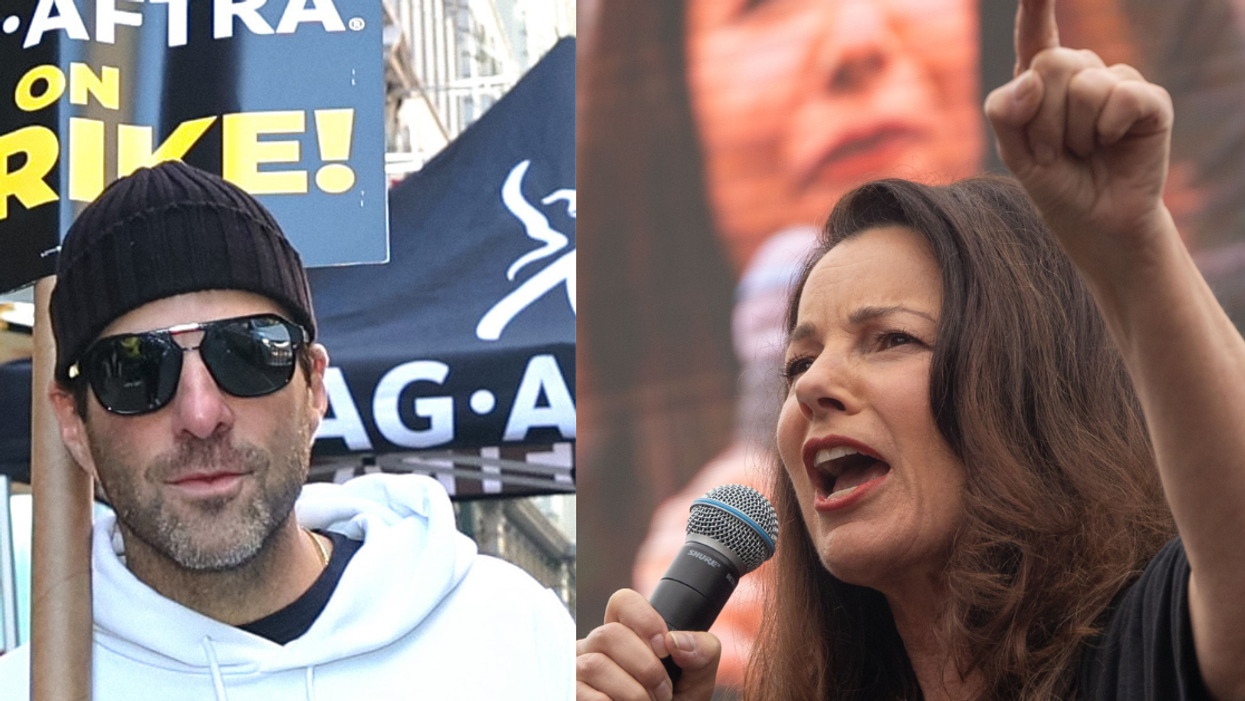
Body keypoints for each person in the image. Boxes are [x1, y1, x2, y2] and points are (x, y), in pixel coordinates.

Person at [576, 1, 1245, 699]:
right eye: (797, 362)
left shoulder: (1144, 646)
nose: (810, 387)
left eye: (889, 339)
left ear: (1029, 389)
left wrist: (1134, 241)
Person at [0, 160, 573, 699]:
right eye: (136, 370)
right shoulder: (33, 688)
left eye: (250, 352)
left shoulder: (508, 633)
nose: (202, 416)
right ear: (73, 421)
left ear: (314, 385)